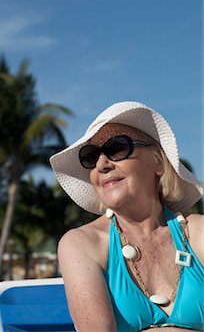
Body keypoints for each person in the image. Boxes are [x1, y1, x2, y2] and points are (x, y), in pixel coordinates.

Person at [50, 101, 203, 332]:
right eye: (91, 157)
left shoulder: (198, 233)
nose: (101, 164)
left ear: (157, 162)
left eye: (117, 148)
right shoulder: (82, 245)